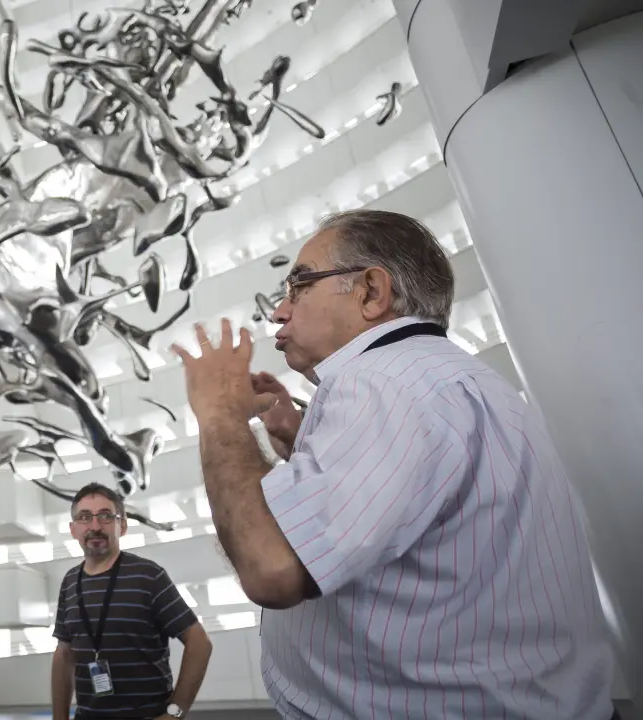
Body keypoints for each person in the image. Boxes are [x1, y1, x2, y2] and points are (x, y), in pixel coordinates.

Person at [172, 209, 616, 719]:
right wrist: (301, 444)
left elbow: (271, 567)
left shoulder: (383, 383)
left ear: (371, 292)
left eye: (299, 285)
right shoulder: (436, 375)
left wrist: (219, 414)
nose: (278, 311)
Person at [51, 483, 212, 720]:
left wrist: (174, 714)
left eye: (105, 516)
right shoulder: (70, 582)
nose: (95, 526)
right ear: (73, 529)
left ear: (122, 526)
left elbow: (199, 642)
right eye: (84, 517)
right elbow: (64, 655)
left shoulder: (148, 576)